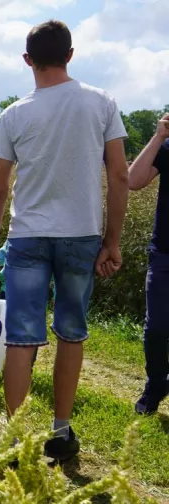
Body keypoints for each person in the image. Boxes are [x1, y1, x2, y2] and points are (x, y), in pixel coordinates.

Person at [0, 19, 128, 462]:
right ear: (71, 54)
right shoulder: (101, 103)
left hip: (27, 237)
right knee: (71, 334)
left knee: (22, 338)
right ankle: (60, 431)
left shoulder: (15, 113)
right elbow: (119, 176)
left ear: (27, 60)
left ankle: (14, 438)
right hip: (82, 235)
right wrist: (113, 241)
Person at [129, 113, 169, 415]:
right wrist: (159, 136)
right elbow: (133, 180)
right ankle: (156, 384)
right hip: (165, 252)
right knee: (155, 327)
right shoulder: (167, 147)